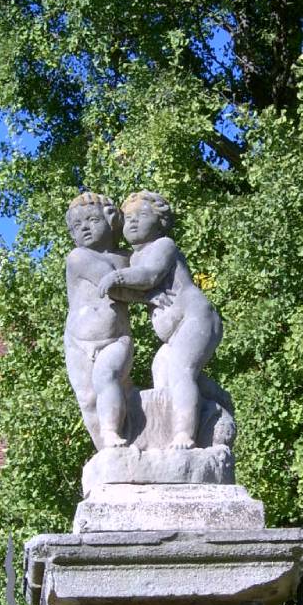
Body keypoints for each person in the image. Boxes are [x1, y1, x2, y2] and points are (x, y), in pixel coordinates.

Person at [99, 191, 222, 449]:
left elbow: (149, 275)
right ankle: (217, 403)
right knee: (163, 374)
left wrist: (116, 278)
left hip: (194, 317)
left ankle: (184, 434)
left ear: (160, 222)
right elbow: (133, 290)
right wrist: (122, 289)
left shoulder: (163, 245)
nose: (133, 221)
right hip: (172, 335)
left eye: (142, 215)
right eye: (128, 217)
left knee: (180, 371)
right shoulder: (134, 258)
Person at [64, 192, 133, 448]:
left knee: (107, 376)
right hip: (77, 342)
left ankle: (112, 432)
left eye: (92, 220)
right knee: (88, 400)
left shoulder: (128, 258)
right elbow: (115, 287)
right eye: (76, 225)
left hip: (116, 339)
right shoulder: (78, 257)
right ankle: (105, 451)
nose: (84, 228)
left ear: (111, 220)